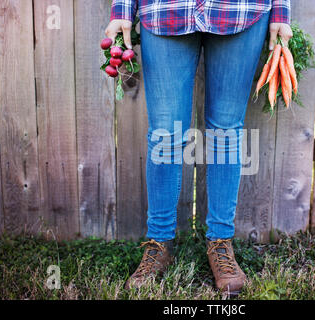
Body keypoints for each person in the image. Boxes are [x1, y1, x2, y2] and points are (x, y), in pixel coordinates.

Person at [105, 0, 292, 295]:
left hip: (240, 10)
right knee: (165, 134)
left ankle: (220, 242)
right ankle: (159, 244)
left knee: (226, 133)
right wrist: (122, 9)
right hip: (166, 9)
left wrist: (281, 11)